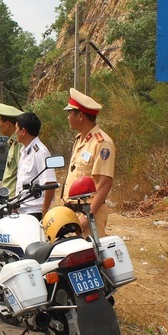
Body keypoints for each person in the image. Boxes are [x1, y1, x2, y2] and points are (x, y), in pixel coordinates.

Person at [62, 88, 116, 237]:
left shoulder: (102, 143)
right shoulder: (80, 140)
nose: (68, 118)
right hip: (74, 212)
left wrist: (88, 216)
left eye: (70, 113)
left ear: (80, 116)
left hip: (89, 213)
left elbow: (105, 183)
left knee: (91, 257)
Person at [15, 112, 56, 220]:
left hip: (35, 213)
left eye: (17, 129)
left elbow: (51, 183)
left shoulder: (40, 152)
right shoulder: (25, 152)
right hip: (23, 212)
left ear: (23, 131)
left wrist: (44, 211)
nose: (15, 132)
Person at [0, 103, 22, 197]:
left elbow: (22, 174)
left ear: (7, 124)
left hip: (14, 199)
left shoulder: (19, 143)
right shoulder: (13, 143)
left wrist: (17, 200)